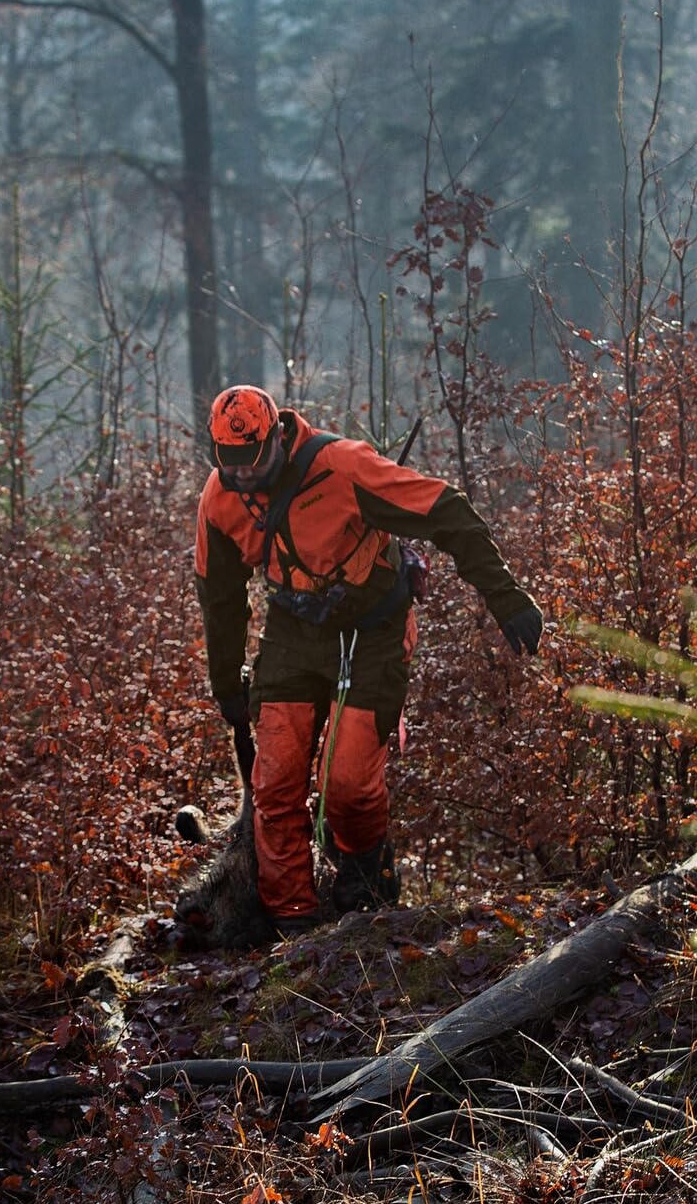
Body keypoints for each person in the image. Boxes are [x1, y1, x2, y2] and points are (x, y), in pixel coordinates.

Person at [193, 384, 542, 937]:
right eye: (227, 463)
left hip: (372, 628)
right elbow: (219, 596)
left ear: (276, 438)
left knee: (349, 783)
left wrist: (505, 598)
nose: (239, 475)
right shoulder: (219, 499)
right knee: (276, 782)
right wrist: (226, 683)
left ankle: (364, 875)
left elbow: (446, 510)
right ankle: (294, 927)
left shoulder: (342, 468)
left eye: (249, 461)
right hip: (293, 632)